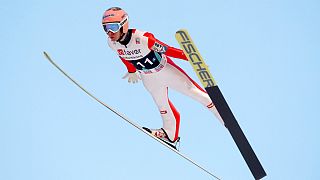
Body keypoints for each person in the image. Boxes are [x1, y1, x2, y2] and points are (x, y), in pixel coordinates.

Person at [102, 7, 224, 147]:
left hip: (165, 71)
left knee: (197, 94)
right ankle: (170, 134)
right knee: (162, 106)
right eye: (105, 28)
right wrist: (131, 70)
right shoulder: (112, 43)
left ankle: (225, 119)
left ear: (124, 24)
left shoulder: (142, 38)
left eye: (113, 27)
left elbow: (168, 50)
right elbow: (123, 56)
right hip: (148, 78)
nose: (109, 32)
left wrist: (191, 58)